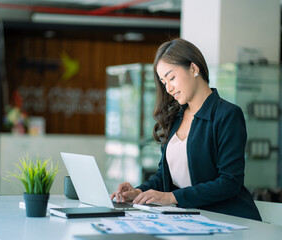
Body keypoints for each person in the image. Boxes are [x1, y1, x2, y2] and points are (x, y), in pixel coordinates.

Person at [110, 38, 262, 221]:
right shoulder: (175, 117)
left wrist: (172, 197)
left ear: (193, 68)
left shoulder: (227, 114)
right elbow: (164, 176)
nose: (168, 88)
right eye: (163, 82)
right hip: (189, 218)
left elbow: (230, 182)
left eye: (171, 77)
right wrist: (138, 192)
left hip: (227, 219)